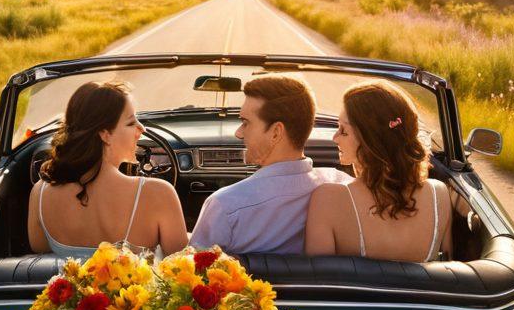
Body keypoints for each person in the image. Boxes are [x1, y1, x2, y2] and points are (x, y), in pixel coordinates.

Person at [190, 75, 350, 254]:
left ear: (275, 133)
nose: (238, 133)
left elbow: (192, 273)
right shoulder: (343, 187)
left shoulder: (225, 206)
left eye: (245, 123)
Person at [27, 81, 188, 257]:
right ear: (105, 134)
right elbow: (181, 268)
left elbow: (40, 250)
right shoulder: (158, 194)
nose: (141, 128)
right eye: (130, 122)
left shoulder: (40, 194)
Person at [304, 80, 453, 262]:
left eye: (343, 131)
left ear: (370, 142)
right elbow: (446, 268)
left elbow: (318, 280)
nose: (335, 138)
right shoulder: (440, 195)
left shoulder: (327, 199)